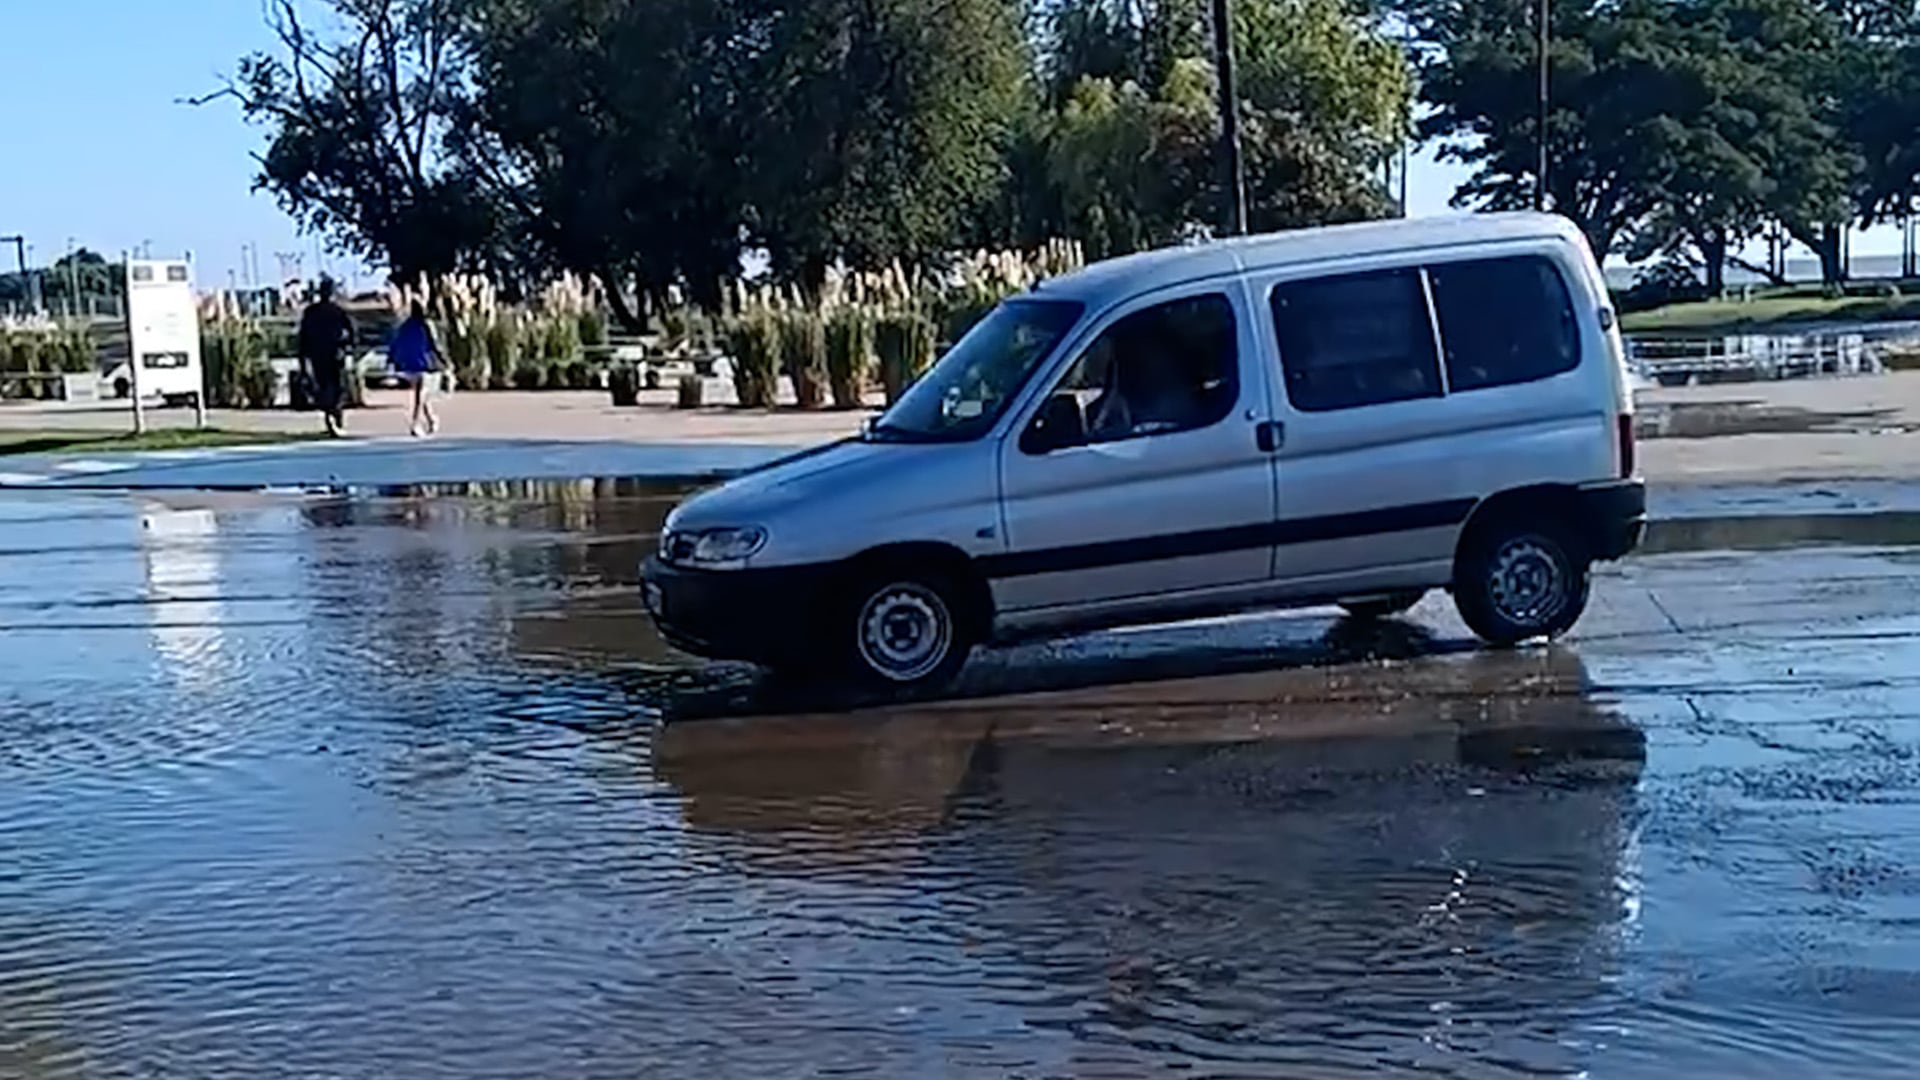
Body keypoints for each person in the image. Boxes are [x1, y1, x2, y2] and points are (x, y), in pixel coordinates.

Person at [297, 278, 354, 436]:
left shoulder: (311, 312)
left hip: (318, 354)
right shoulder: (337, 311)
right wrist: (349, 347)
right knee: (337, 386)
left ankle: (330, 414)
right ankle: (334, 414)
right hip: (334, 353)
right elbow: (351, 331)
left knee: (324, 385)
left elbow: (303, 336)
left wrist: (302, 356)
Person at [389, 301, 442, 436]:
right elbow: (433, 344)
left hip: (406, 362)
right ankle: (415, 423)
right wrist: (441, 359)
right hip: (420, 362)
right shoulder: (425, 326)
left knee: (420, 392)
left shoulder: (404, 326)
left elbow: (395, 342)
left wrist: (392, 359)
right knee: (420, 394)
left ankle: (431, 420)